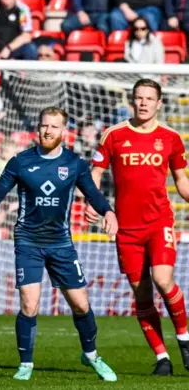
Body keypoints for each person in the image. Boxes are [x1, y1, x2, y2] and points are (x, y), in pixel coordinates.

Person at [0, 107, 119, 382]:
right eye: (44, 125)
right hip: (28, 242)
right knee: (29, 305)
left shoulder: (74, 164)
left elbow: (93, 194)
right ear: (38, 128)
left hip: (61, 244)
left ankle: (92, 354)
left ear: (64, 131)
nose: (48, 131)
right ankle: (25, 364)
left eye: (54, 127)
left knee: (81, 306)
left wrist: (108, 212)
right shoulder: (20, 162)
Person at [87, 79, 189, 375]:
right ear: (133, 101)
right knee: (141, 294)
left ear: (159, 103)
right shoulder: (114, 135)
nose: (143, 103)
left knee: (163, 279)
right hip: (126, 229)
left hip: (159, 223)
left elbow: (181, 180)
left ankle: (184, 338)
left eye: (149, 99)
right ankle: (161, 358)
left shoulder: (170, 138)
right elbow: (94, 174)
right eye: (139, 98)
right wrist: (94, 204)